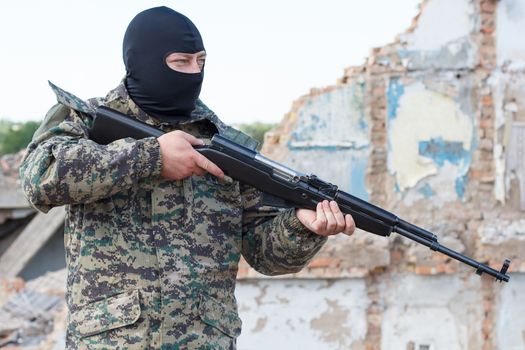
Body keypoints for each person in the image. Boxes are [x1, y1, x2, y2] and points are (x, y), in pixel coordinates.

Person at [20, 6, 355, 349]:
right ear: (142, 61)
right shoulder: (84, 121)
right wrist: (152, 157)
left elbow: (265, 255)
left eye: (201, 61)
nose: (194, 72)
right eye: (181, 62)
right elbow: (40, 177)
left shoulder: (227, 145)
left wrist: (302, 226)